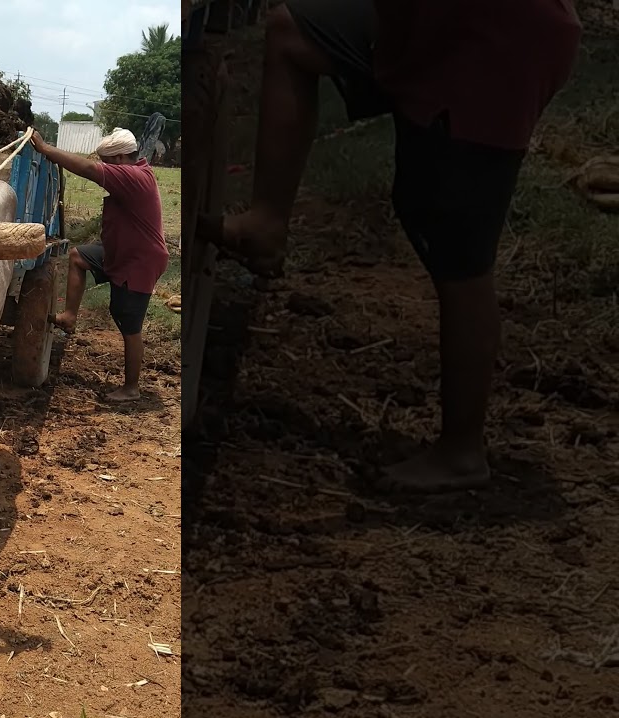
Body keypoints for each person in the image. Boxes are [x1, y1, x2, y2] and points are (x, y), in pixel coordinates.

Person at [198, 0, 581, 491]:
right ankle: (266, 225)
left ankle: (462, 452)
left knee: (457, 245)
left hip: (497, 41)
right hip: (436, 22)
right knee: (292, 32)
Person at [30, 127, 170, 402]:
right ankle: (70, 316)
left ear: (118, 160)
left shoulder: (133, 176)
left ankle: (131, 388)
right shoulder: (135, 171)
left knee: (128, 323)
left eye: (108, 163)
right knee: (79, 257)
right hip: (121, 252)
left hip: (139, 260)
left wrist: (46, 150)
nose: (105, 168)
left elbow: (87, 169)